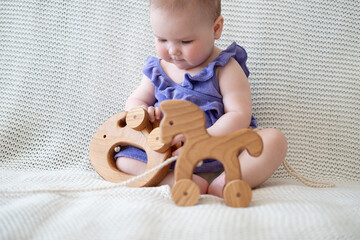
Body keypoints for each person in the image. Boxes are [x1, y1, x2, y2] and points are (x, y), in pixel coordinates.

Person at [115, 0, 287, 198]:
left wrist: (205, 138)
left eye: (185, 41)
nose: (172, 50)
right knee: (121, 160)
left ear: (216, 28)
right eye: (162, 39)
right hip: (166, 154)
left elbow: (239, 114)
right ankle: (174, 180)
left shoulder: (225, 68)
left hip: (219, 149)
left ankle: (225, 181)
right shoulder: (157, 71)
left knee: (274, 140)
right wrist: (142, 112)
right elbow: (135, 100)